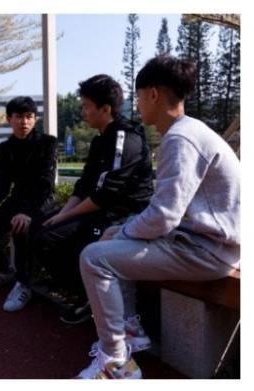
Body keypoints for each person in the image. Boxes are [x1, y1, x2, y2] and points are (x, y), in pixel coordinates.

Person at [75, 55, 240, 379]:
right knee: (114, 237)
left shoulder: (180, 138)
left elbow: (163, 217)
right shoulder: (189, 131)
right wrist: (123, 231)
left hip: (208, 250)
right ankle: (129, 331)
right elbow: (165, 214)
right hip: (209, 243)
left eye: (138, 96)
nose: (136, 104)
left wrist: (123, 232)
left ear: (152, 94)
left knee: (94, 257)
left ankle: (116, 362)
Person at [33, 74, 154, 325]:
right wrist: (62, 214)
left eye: (86, 106)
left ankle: (89, 297)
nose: (82, 112)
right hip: (101, 210)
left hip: (124, 215)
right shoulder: (101, 139)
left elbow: (106, 195)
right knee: (38, 227)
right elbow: (85, 184)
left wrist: (65, 217)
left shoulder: (125, 139)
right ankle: (82, 291)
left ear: (105, 109)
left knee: (49, 238)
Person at [0, 96, 57, 312]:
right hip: (16, 200)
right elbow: (3, 185)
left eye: (29, 116)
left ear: (35, 119)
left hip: (41, 201)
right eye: (19, 117)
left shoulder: (47, 143)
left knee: (21, 230)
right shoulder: (5, 148)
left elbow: (45, 183)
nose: (24, 122)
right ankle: (2, 270)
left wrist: (27, 212)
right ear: (9, 119)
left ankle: (24, 284)